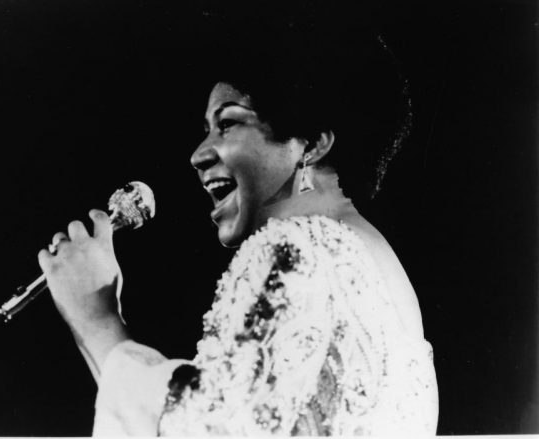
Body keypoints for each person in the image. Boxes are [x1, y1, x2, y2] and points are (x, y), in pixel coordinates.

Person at [37, 23, 438, 436]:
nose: (197, 155)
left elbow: (209, 428)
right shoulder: (376, 269)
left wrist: (96, 318)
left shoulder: (300, 246)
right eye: (206, 129)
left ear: (312, 144)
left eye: (227, 124)